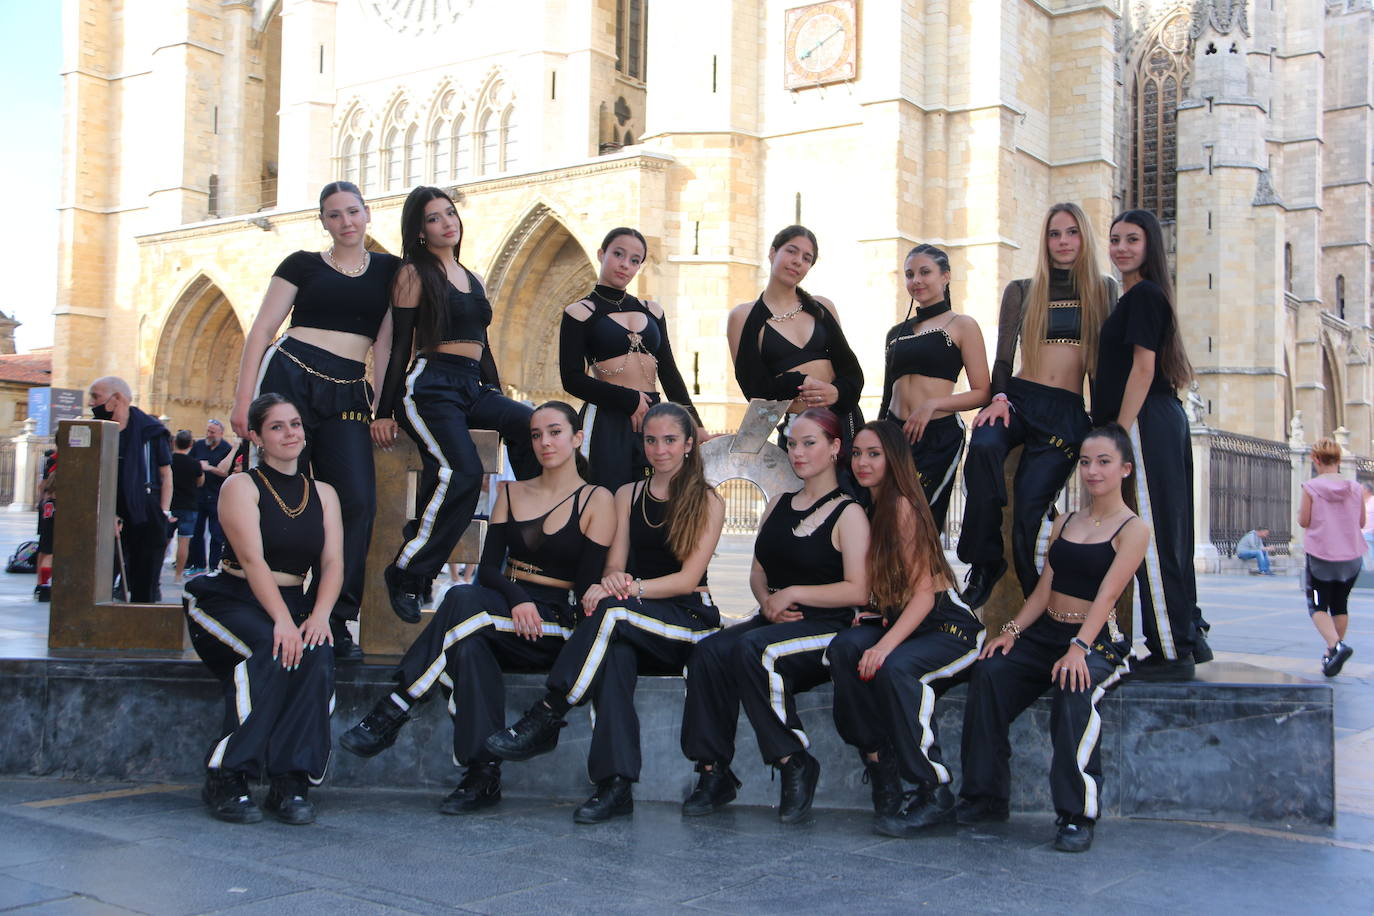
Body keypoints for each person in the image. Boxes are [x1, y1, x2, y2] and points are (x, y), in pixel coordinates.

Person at [337, 402, 615, 814]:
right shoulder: (512, 492)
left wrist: (528, 605)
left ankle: (396, 705)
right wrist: (518, 599)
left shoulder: (597, 500)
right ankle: (482, 775)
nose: (544, 442)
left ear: (577, 438)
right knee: (468, 643)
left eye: (555, 432)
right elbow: (488, 572)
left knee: (461, 602)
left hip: (554, 625)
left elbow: (587, 584)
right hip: (501, 612)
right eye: (536, 434)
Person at [484, 402, 724, 824]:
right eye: (651, 440)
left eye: (670, 440)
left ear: (689, 444)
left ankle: (549, 712)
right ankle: (615, 784)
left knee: (612, 614)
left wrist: (630, 589)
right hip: (634, 614)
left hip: (687, 620)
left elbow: (687, 580)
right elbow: (615, 565)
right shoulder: (627, 494)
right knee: (613, 658)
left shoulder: (708, 499)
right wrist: (611, 582)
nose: (660, 450)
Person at [230, 181, 400, 660]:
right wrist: (244, 399)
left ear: (367, 214)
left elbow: (384, 347)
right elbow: (263, 329)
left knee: (357, 503)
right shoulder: (301, 264)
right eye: (333, 215)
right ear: (323, 221)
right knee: (278, 492)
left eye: (352, 212)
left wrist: (384, 407)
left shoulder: (390, 271)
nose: (345, 222)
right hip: (289, 377)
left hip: (348, 388)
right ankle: (268, 601)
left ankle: (336, 616)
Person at [960, 424, 1147, 853]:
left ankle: (1076, 814)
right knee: (989, 672)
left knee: (1073, 686)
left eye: (1103, 462)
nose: (1092, 471)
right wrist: (1010, 632)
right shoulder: (1066, 520)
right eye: (1085, 462)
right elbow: (1045, 589)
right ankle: (985, 796)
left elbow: (1108, 594)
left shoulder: (1132, 528)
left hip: (1096, 639)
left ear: (1125, 469)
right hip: (1046, 631)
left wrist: (1078, 649)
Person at [679, 408, 869, 824]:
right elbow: (758, 569)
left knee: (751, 649)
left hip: (824, 627)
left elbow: (859, 589)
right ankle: (714, 772)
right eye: (792, 444)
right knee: (708, 653)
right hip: (772, 622)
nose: (797, 453)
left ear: (836, 448)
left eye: (809, 443)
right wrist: (766, 599)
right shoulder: (781, 503)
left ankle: (792, 759)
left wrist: (795, 594)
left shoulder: (849, 513)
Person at [372, 186, 539, 623]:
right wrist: (384, 411)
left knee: (533, 426)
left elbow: (482, 346)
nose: (448, 222)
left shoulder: (471, 276)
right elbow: (400, 347)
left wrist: (497, 395)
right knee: (460, 471)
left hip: (472, 386)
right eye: (434, 217)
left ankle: (534, 534)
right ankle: (408, 573)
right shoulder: (413, 273)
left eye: (450, 213)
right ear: (420, 230)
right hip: (430, 387)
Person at [183, 393, 343, 825]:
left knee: (319, 655)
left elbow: (332, 564)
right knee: (271, 648)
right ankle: (226, 775)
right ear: (256, 436)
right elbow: (253, 562)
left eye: (295, 424)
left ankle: (290, 781)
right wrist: (284, 623)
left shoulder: (324, 493)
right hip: (229, 599)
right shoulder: (241, 485)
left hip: (293, 602)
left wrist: (320, 616)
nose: (290, 433)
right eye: (277, 427)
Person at [826, 420, 984, 836]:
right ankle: (880, 764)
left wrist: (885, 645)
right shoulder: (871, 507)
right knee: (845, 648)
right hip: (909, 624)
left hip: (948, 629)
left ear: (893, 458)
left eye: (873, 454)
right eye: (857, 453)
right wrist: (876, 618)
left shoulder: (900, 507)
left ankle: (935, 790)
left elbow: (924, 595)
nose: (862, 462)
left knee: (896, 669)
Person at [957, 203, 1116, 608]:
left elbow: (1103, 367)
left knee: (1029, 507)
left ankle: (1034, 604)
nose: (1062, 242)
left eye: (1071, 232)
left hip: (1065, 412)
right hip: (1018, 399)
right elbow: (1004, 356)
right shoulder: (1022, 290)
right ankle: (984, 560)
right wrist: (998, 396)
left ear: (1084, 238)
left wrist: (1103, 428)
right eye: (1054, 234)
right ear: (1044, 241)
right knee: (984, 447)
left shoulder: (1103, 290)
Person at [1093, 208, 1207, 677]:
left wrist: (1117, 432)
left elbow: (1142, 368)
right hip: (1158, 420)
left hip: (1142, 423)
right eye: (1115, 238)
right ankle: (1188, 635)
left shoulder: (1143, 297)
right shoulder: (1143, 296)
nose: (1120, 247)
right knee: (1168, 532)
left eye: (1132, 240)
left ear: (1149, 246)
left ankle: (1171, 649)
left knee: (1151, 536)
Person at [559, 227, 705, 490]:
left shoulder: (653, 311)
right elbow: (571, 380)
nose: (625, 264)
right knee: (604, 496)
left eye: (635, 260)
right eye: (618, 254)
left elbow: (669, 373)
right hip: (608, 416)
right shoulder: (579, 312)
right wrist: (629, 399)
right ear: (602, 254)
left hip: (655, 416)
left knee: (656, 497)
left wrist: (696, 425)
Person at [877, 244, 991, 528]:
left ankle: (928, 574)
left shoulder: (962, 325)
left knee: (918, 522)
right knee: (883, 520)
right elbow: (887, 393)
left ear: (946, 276)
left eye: (925, 272)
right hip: (894, 435)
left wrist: (932, 404)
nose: (916, 280)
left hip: (937, 438)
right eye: (909, 274)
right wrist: (877, 434)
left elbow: (982, 391)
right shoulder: (896, 332)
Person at [728, 226, 865, 449]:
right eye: (791, 251)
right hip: (798, 430)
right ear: (772, 253)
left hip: (843, 422)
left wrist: (837, 391)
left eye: (807, 258)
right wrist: (799, 382)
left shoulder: (822, 307)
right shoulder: (742, 317)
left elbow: (852, 372)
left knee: (849, 484)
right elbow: (754, 389)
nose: (798, 261)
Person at [88, 376, 172, 603]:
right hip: (107, 513)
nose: (90, 403)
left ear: (117, 399)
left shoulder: (151, 431)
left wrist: (164, 511)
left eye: (96, 396)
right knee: (98, 579)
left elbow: (165, 473)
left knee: (144, 578)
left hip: (145, 511)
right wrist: (108, 514)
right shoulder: (96, 431)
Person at [1299, 437, 1362, 677]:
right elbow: (1361, 522)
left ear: (1315, 459)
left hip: (1321, 556)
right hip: (1351, 557)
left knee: (1317, 605)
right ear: (1338, 459)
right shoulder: (1354, 488)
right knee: (1340, 605)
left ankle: (1337, 646)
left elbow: (1304, 521)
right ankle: (1332, 653)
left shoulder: (1311, 487)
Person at [187, 419, 233, 573]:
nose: (209, 435)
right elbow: (191, 463)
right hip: (199, 496)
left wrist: (209, 468)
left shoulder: (227, 449)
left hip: (217, 497)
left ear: (221, 433)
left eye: (212, 432)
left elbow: (227, 472)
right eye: (208, 431)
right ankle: (198, 564)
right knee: (196, 532)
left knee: (216, 534)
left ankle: (213, 566)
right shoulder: (199, 445)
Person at [170, 429, 205, 583]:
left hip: (171, 504)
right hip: (189, 505)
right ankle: (178, 575)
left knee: (164, 540)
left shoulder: (168, 460)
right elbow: (200, 482)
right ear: (191, 444)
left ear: (174, 442)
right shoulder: (194, 464)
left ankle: (155, 573)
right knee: (184, 541)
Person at [1361, 483, 1374, 571]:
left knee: (1369, 558)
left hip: (1369, 533)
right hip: (1360, 534)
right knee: (1363, 558)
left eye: (1361, 488)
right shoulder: (1361, 502)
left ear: (1366, 490)